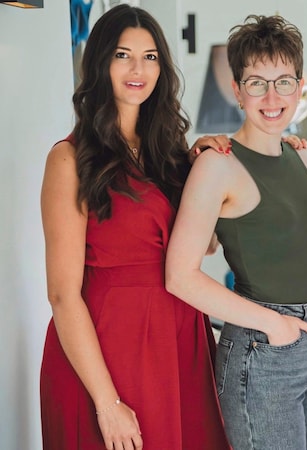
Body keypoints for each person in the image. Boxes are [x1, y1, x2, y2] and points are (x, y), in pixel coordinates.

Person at [39, 4, 230, 450]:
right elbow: (62, 294)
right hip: (107, 350)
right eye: (123, 55)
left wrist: (207, 170)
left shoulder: (171, 153)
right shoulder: (68, 160)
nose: (137, 69)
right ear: (101, 61)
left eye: (150, 57)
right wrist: (107, 404)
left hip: (180, 341)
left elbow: (207, 247)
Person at [164, 15, 307, 450]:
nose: (271, 96)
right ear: (237, 90)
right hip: (264, 353)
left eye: (283, 81)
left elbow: (291, 244)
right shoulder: (217, 164)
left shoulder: (305, 160)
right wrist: (272, 323)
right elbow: (180, 276)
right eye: (256, 82)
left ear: (300, 87)